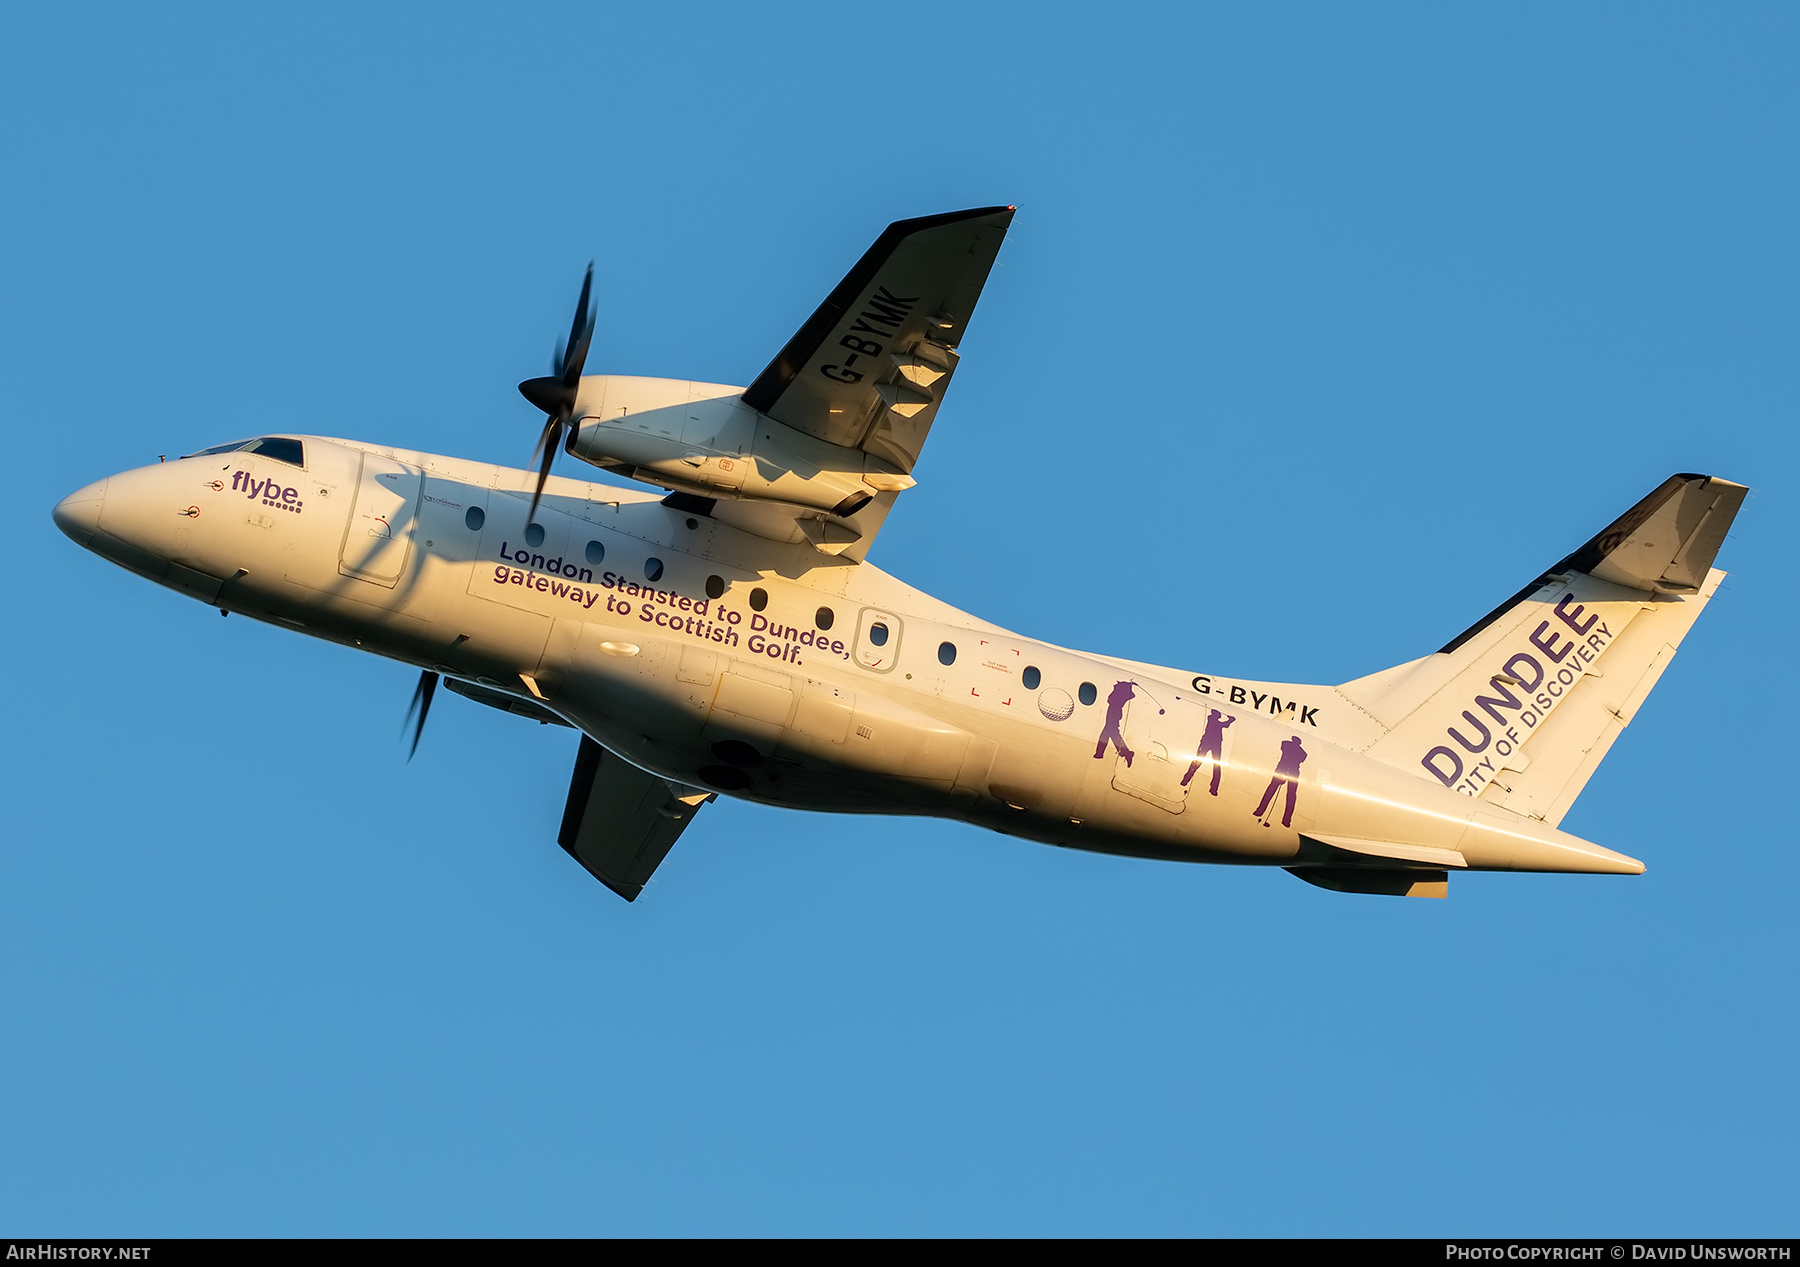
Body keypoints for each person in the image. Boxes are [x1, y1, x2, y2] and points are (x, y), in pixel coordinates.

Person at [1252, 735, 1307, 828]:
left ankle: (1285, 819)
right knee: (1281, 792)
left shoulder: (1289, 745)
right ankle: (1264, 811)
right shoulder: (1294, 748)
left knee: (1288, 794)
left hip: (1291, 773)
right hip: (1285, 770)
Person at [1180, 708, 1235, 796]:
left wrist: (1230, 720)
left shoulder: (1213, 720)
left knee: (1201, 762)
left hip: (1211, 743)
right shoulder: (1212, 719)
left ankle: (1187, 780)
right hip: (1210, 742)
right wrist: (1231, 720)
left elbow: (1224, 725)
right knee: (1205, 763)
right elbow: (1225, 725)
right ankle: (1187, 779)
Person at [1092, 680, 1137, 766]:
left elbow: (1110, 699)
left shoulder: (1117, 699)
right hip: (1114, 712)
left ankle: (1101, 753)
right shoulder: (1118, 698)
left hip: (1114, 713)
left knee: (1107, 733)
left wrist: (1128, 685)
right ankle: (1125, 753)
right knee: (1111, 733)